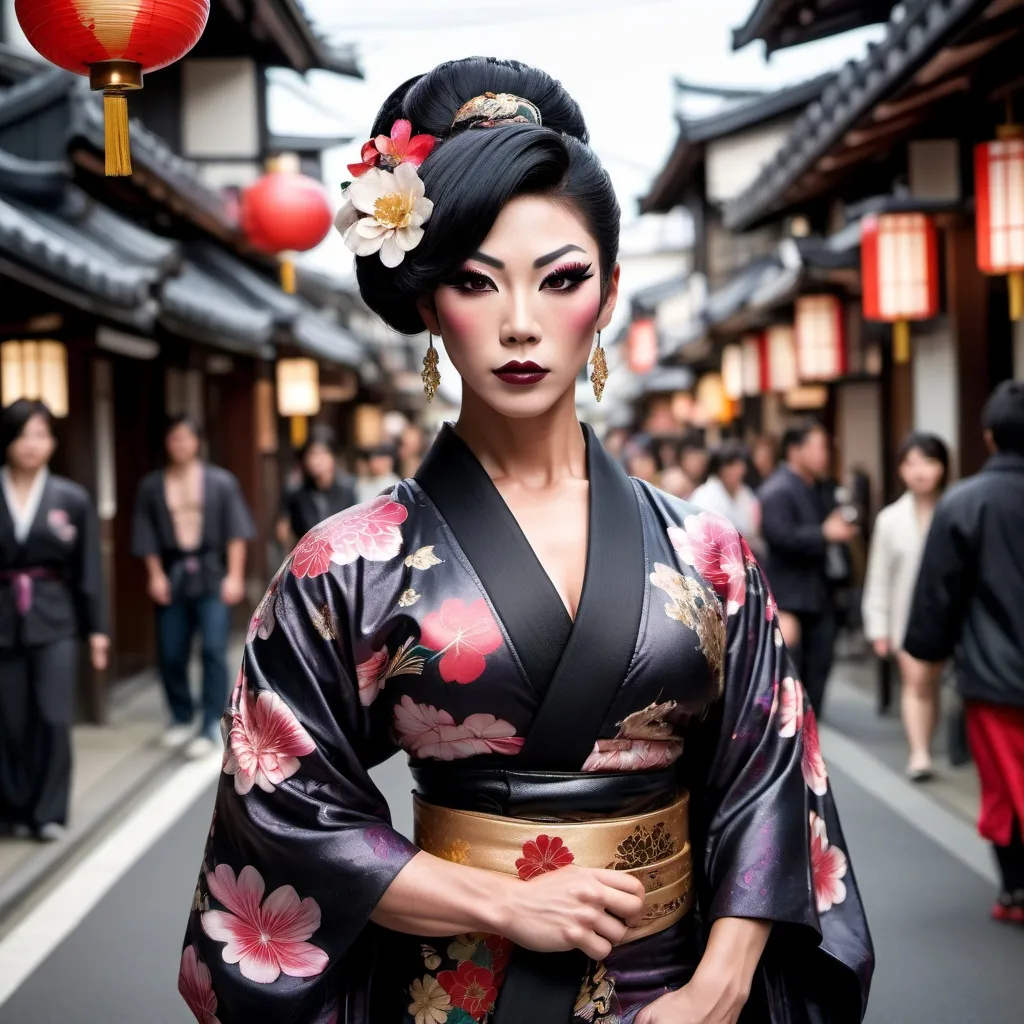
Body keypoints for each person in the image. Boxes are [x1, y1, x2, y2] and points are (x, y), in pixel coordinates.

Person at [180, 58, 871, 1024]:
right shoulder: (345, 562)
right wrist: (501, 899)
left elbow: (770, 774)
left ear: (611, 290)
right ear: (427, 302)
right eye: (475, 280)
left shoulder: (709, 552)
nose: (519, 325)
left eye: (561, 280)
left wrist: (718, 990)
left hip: (674, 993)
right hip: (452, 992)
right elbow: (285, 810)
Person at [903, 381, 1024, 924]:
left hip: (993, 674)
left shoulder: (964, 503)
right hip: (994, 672)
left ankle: (1015, 889)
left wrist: (927, 651)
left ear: (989, 436)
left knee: (1004, 787)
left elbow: (939, 592)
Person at [0, 400, 108, 842]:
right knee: (8, 717)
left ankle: (47, 811)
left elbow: (88, 571)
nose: (31, 444)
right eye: (23, 434)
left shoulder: (71, 497)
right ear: (7, 440)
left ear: (52, 442)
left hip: (56, 617)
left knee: (52, 714)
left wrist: (97, 631)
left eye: (40, 434)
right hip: (3, 616)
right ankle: (10, 808)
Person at [132, 416, 255, 759]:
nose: (180, 445)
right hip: (173, 569)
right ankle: (181, 715)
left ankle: (209, 724)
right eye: (174, 439)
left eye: (186, 438)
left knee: (214, 649)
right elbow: (146, 536)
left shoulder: (220, 482)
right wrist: (154, 574)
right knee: (170, 651)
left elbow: (236, 533)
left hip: (211, 570)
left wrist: (235, 576)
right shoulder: (152, 486)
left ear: (197, 441)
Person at [861, 432, 949, 780]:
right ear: (900, 470)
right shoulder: (890, 519)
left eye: (928, 461)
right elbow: (878, 576)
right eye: (911, 462)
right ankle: (920, 753)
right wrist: (878, 627)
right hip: (904, 616)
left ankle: (924, 743)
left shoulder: (955, 510)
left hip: (944, 615)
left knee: (930, 684)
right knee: (915, 683)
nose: (920, 471)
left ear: (943, 466)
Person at [759, 421, 857, 715]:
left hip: (821, 591)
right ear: (795, 451)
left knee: (821, 665)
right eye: (817, 447)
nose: (824, 455)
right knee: (793, 671)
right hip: (791, 595)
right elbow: (779, 536)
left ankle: (812, 726)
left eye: (826, 447)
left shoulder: (822, 486)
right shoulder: (777, 489)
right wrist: (823, 533)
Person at [277, 429, 356, 547]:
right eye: (310, 454)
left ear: (333, 456)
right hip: (307, 555)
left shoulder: (347, 489)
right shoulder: (296, 493)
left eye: (321, 453)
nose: (315, 460)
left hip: (342, 555)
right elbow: (283, 530)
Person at [692, 440, 763, 556]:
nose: (737, 470)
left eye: (740, 464)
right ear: (719, 468)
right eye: (731, 465)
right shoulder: (704, 495)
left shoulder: (745, 493)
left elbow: (753, 530)